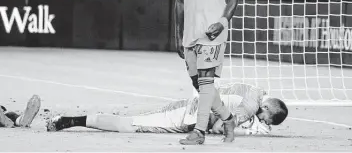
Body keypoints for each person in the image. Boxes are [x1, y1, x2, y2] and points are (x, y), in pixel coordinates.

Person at [174, 0, 240, 144]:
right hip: (190, 33)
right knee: (199, 84)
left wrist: (221, 23)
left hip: (213, 32)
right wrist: (178, 34)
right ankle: (228, 118)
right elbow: (179, 2)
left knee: (205, 79)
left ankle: (199, 132)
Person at [46, 83, 288, 137]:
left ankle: (70, 120)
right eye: (267, 119)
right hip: (189, 113)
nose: (264, 122)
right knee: (130, 124)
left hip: (190, 114)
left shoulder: (252, 98)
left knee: (136, 124)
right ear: (266, 107)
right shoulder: (252, 99)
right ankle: (69, 121)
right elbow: (225, 122)